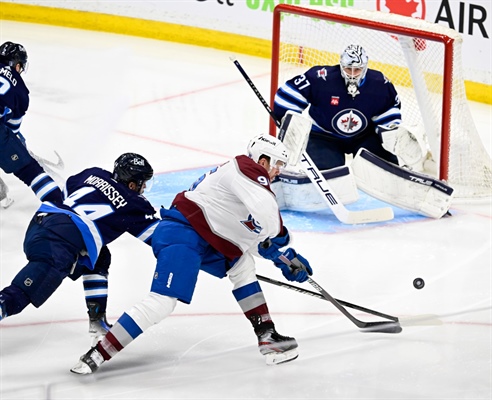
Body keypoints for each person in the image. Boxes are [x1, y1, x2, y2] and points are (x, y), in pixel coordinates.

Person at [70, 134, 313, 374]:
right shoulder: (245, 167)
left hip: (205, 237)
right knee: (162, 303)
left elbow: (255, 241)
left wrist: (283, 259)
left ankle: (267, 336)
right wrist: (282, 242)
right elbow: (269, 220)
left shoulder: (245, 188)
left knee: (242, 265)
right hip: (183, 234)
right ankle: (98, 353)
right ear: (263, 160)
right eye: (278, 164)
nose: (279, 171)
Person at [0, 153, 160, 345]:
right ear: (132, 184)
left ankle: (98, 322)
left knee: (98, 257)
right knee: (17, 296)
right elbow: (160, 237)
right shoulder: (135, 204)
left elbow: (65, 194)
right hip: (60, 242)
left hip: (41, 223)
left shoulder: (94, 174)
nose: (144, 188)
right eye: (143, 183)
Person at [273, 44, 403, 170]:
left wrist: (390, 132)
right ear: (341, 65)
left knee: (382, 169)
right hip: (323, 136)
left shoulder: (379, 84)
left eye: (357, 69)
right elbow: (288, 95)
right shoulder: (322, 78)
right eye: (348, 69)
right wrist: (288, 124)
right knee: (327, 175)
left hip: (363, 136)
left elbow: (389, 109)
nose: (352, 74)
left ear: (365, 68)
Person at [0, 41, 64, 208]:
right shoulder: (20, 90)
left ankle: (1, 195)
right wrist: (19, 147)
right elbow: (12, 130)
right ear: (17, 64)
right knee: (30, 171)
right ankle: (61, 206)